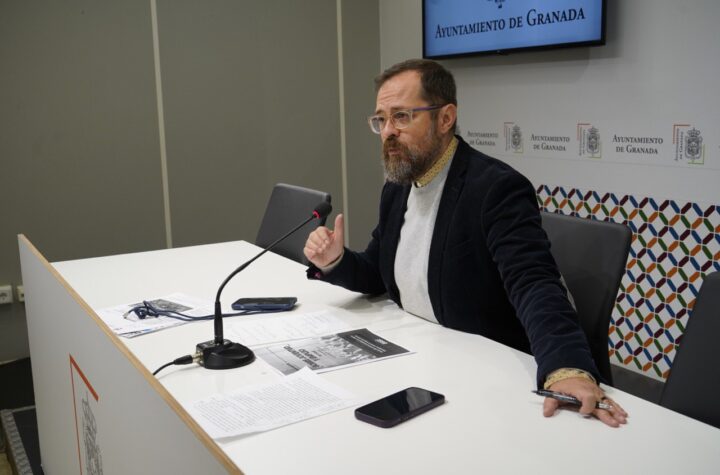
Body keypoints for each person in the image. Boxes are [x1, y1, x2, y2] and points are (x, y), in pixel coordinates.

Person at [304, 59, 627, 427]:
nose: (388, 131)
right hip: (423, 358)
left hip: (485, 379)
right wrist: (335, 260)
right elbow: (380, 273)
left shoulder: (495, 189)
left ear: (445, 119)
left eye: (402, 117)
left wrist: (565, 366)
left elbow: (534, 282)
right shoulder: (397, 188)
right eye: (381, 120)